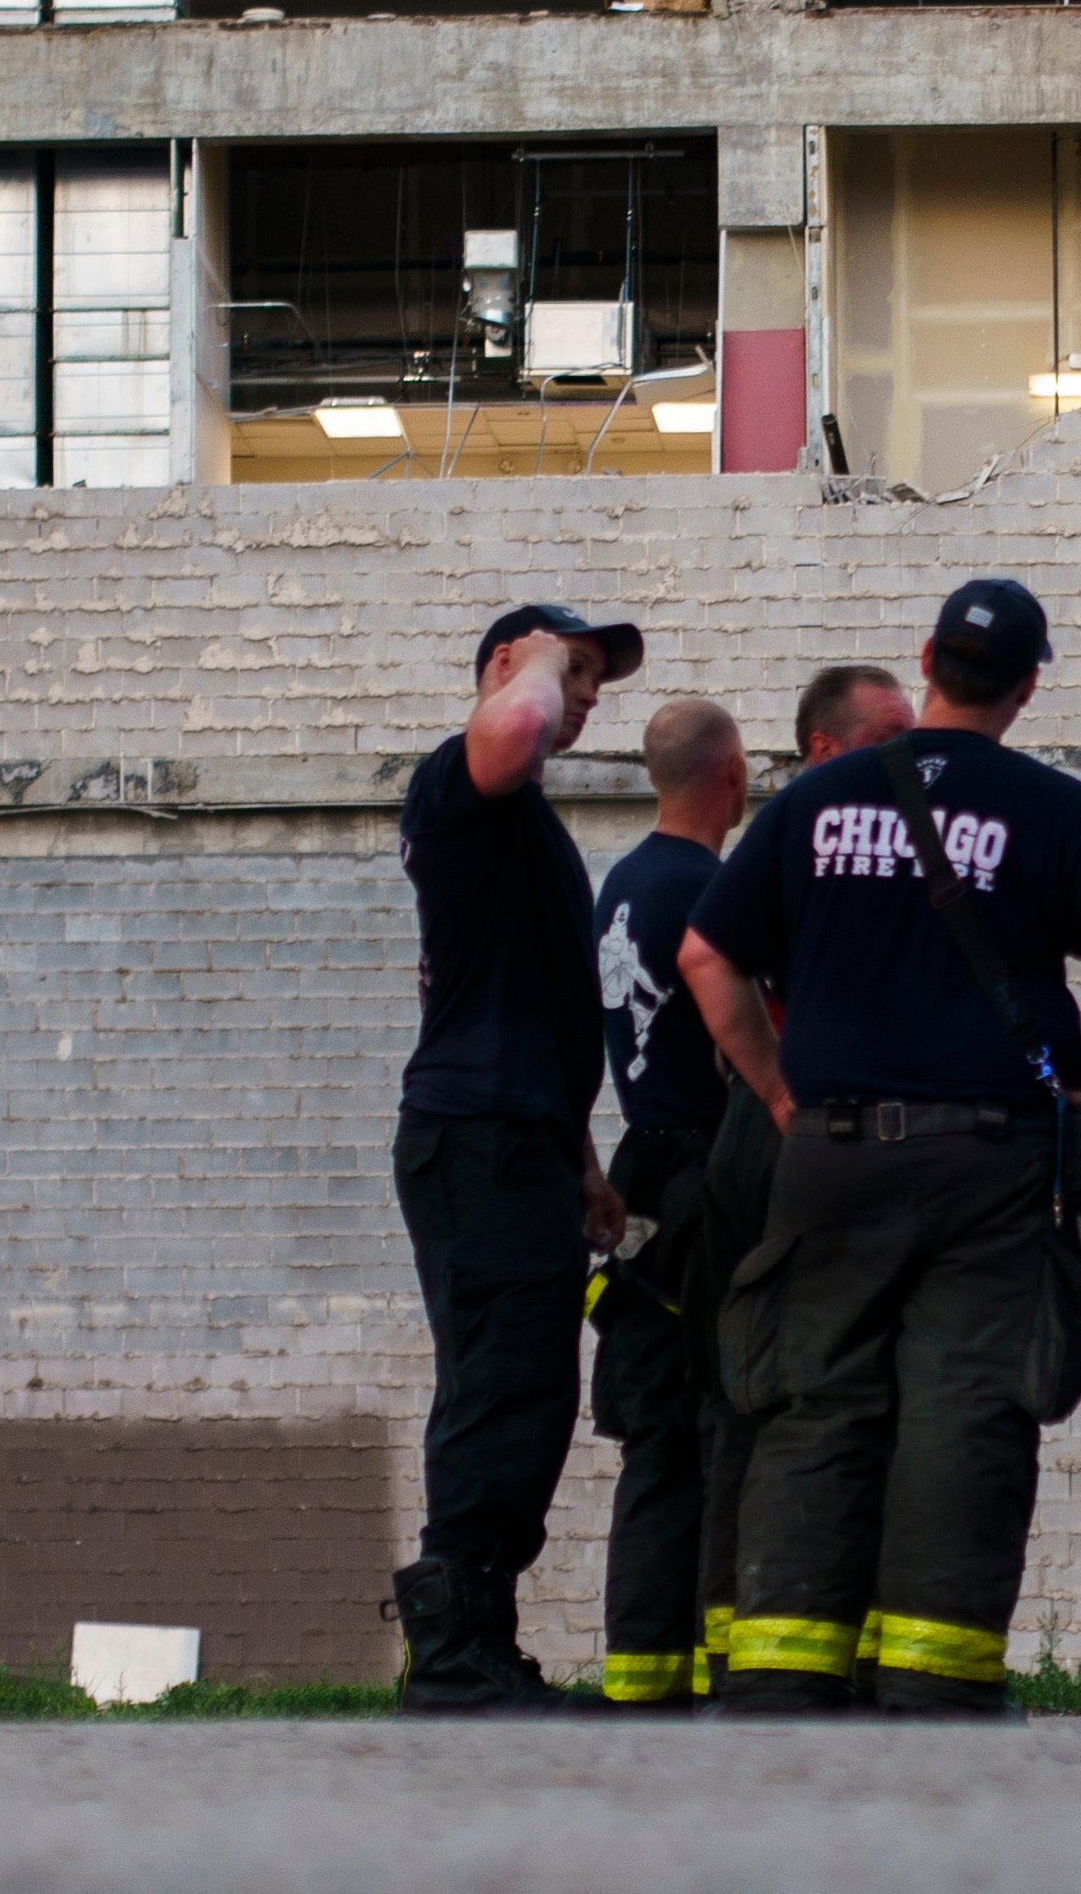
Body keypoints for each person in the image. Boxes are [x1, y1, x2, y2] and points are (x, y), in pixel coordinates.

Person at [675, 579, 1081, 1717]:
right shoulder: (1052, 808)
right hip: (988, 1162)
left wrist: (778, 1095)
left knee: (813, 1401)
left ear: (925, 660)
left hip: (832, 1154)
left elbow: (705, 954)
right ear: (1027, 683)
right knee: (964, 1407)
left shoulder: (816, 802)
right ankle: (933, 1682)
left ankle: (780, 1672)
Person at [390, 600, 643, 1711]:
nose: (582, 696)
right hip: (477, 1139)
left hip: (520, 1137)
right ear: (507, 663)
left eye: (592, 680)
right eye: (573, 669)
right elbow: (510, 729)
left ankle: (481, 1644)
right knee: (498, 1387)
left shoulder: (519, 820)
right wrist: (534, 664)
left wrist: (580, 1158)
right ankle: (452, 1657)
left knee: (528, 1391)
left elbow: (532, 1004)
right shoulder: (461, 780)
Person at [676, 663, 922, 1697]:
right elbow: (708, 957)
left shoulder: (813, 836)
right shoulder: (819, 834)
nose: (910, 757)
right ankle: (765, 1650)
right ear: (822, 747)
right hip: (792, 1132)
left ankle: (778, 1647)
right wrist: (777, 1088)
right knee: (784, 1384)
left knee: (804, 1385)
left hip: (792, 1129)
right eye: (887, 736)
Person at [584, 695, 756, 1711]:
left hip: (638, 1176)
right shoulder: (711, 889)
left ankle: (641, 1679)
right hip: (707, 1178)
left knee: (654, 1433)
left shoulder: (621, 883)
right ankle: (727, 1667)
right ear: (731, 774)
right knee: (723, 1423)